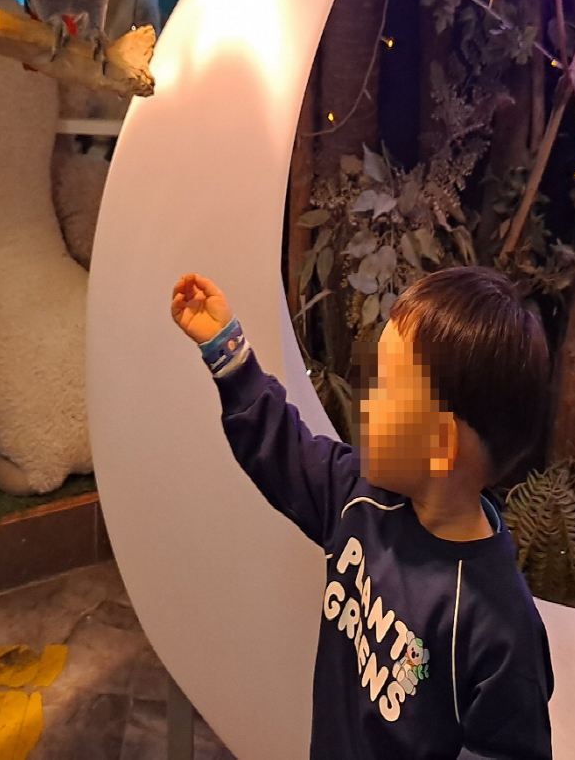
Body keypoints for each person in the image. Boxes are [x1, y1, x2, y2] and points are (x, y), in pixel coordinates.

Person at [170, 266, 554, 759]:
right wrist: (227, 351)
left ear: (440, 444)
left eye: (385, 388)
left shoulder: (499, 631)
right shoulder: (361, 497)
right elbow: (283, 448)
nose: (363, 398)